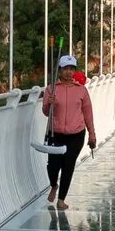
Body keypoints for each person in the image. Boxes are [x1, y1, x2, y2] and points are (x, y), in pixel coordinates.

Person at [41, 54, 96, 205]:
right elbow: (46, 112)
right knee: (53, 165)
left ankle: (61, 200)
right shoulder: (51, 89)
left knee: (68, 165)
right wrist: (49, 104)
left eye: (72, 69)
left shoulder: (81, 90)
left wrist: (92, 134)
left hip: (76, 134)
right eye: (65, 69)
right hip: (55, 133)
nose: (69, 72)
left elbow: (88, 113)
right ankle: (54, 185)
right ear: (60, 70)